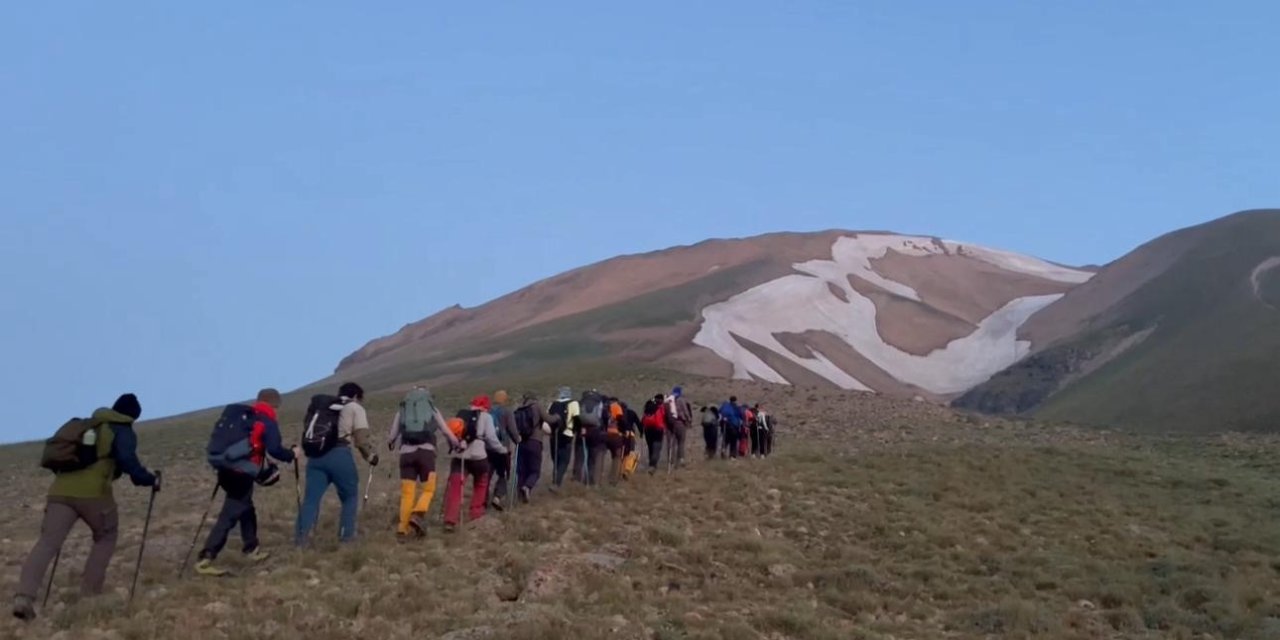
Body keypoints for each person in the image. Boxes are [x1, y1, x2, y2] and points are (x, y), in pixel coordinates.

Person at [13, 394, 159, 622]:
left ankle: (24, 597)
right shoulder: (121, 429)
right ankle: (88, 597)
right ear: (132, 416)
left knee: (47, 543)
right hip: (94, 494)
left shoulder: (86, 425)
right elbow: (129, 463)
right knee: (106, 536)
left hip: (59, 492)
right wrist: (149, 479)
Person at [195, 389, 298, 576]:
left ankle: (251, 547)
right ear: (274, 404)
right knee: (230, 513)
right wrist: (292, 454)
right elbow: (275, 449)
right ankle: (207, 557)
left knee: (246, 507)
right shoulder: (266, 420)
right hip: (241, 472)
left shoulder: (244, 417)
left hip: (225, 469)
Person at [296, 382, 379, 546]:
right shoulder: (355, 408)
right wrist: (370, 457)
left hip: (316, 456)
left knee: (311, 500)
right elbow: (361, 441)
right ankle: (346, 538)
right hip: (340, 454)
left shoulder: (325, 407)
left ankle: (301, 539)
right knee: (350, 497)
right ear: (356, 396)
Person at [387, 388, 449, 538]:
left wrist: (391, 443)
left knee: (407, 493)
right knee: (428, 488)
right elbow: (445, 430)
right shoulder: (431, 408)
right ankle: (418, 514)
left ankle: (403, 529)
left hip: (406, 454)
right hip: (425, 453)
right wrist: (456, 443)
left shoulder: (402, 409)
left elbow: (392, 436)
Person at [443, 396, 506, 530]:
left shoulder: (462, 415)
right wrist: (502, 449)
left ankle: (450, 519)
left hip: (459, 457)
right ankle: (476, 514)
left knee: (455, 488)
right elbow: (490, 437)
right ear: (486, 406)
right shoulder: (486, 417)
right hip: (479, 457)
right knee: (481, 484)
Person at [487, 390, 522, 511]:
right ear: (505, 399)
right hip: (503, 448)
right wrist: (517, 439)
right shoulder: (507, 412)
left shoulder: (488, 411)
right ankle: (497, 497)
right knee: (503, 474)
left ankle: (482, 499)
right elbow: (512, 429)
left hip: (488, 448)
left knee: (487, 475)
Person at [514, 393, 549, 503]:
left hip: (521, 443)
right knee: (535, 471)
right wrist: (557, 417)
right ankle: (527, 487)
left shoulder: (519, 410)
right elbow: (549, 419)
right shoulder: (537, 406)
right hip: (535, 442)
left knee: (522, 471)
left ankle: (519, 498)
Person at [547, 387, 579, 489]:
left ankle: (555, 481)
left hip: (553, 435)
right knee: (564, 460)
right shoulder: (573, 403)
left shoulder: (553, 403)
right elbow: (576, 419)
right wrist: (575, 432)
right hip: (567, 434)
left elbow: (548, 418)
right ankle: (556, 484)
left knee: (556, 460)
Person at [665, 387, 693, 468]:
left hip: (669, 424)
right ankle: (680, 460)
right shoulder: (681, 400)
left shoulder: (668, 400)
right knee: (680, 442)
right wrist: (689, 420)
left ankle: (671, 461)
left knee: (671, 444)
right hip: (680, 423)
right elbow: (685, 411)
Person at [641, 394, 667, 473]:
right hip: (658, 429)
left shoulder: (648, 406)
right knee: (657, 446)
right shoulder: (661, 407)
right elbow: (665, 417)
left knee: (650, 447)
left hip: (648, 429)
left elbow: (643, 419)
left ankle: (650, 464)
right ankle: (653, 465)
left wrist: (642, 430)